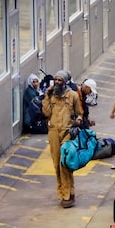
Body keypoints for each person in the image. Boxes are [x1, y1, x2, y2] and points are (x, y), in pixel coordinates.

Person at [42, 70, 84, 208]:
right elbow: (46, 113)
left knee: (65, 164)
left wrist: (77, 122)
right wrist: (46, 97)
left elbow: (79, 113)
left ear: (65, 82)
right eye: (56, 80)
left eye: (60, 80)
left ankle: (68, 194)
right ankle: (62, 192)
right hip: (53, 131)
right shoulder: (52, 96)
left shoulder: (72, 96)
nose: (57, 83)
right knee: (56, 164)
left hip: (67, 132)